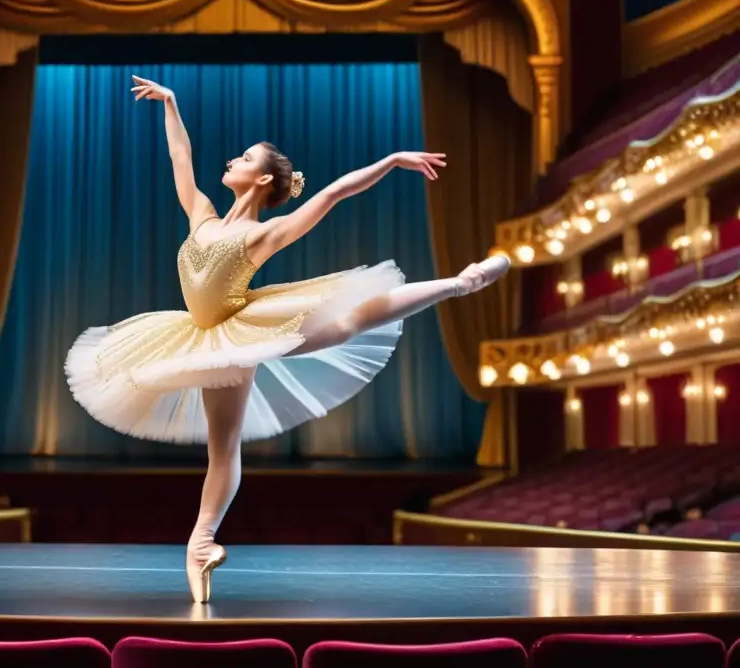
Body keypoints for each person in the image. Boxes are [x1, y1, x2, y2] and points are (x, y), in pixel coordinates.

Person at [65, 75, 510, 604]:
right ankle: (201, 543)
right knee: (222, 447)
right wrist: (172, 105)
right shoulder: (201, 214)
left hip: (243, 330)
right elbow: (179, 158)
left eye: (245, 157)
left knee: (346, 320)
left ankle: (462, 282)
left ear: (261, 180)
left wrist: (392, 160)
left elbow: (335, 192)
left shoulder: (262, 234)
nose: (232, 158)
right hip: (201, 336)